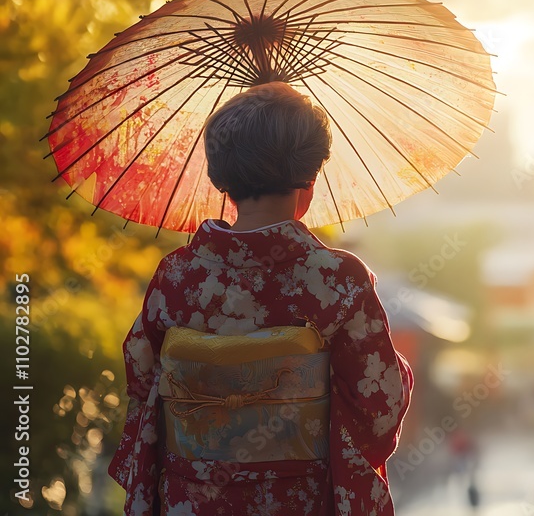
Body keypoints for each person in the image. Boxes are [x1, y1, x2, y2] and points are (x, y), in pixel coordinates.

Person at [108, 82, 413, 515]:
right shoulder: (336, 279)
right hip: (297, 500)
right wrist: (401, 373)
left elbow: (142, 377)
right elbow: (380, 404)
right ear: (310, 177)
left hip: (190, 498)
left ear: (223, 179)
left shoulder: (176, 276)